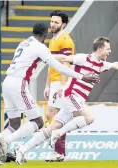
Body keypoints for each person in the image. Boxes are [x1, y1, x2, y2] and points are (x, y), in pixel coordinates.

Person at [0, 22, 99, 166]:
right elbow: (58, 67)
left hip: (7, 82)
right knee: (38, 122)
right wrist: (82, 76)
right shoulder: (41, 47)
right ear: (45, 35)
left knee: (13, 124)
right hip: (19, 83)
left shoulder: (23, 43)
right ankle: (6, 141)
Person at [14, 37, 118, 165]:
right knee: (90, 117)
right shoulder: (83, 58)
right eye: (108, 49)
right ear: (101, 48)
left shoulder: (102, 65)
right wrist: (43, 56)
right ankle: (59, 133)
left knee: (51, 128)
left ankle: (22, 150)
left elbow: (117, 65)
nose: (110, 51)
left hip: (76, 100)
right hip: (71, 95)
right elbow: (64, 58)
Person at [43, 10, 75, 161]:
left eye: (56, 22)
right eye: (51, 21)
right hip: (54, 82)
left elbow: (67, 62)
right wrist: (47, 85)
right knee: (55, 116)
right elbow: (51, 65)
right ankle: (59, 152)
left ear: (63, 25)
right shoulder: (52, 40)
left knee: (52, 115)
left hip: (62, 82)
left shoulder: (65, 39)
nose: (52, 24)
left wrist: (63, 85)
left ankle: (59, 152)